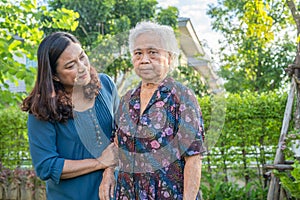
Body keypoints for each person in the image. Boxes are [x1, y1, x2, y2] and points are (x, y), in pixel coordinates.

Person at [109, 21, 206, 200]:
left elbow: (193, 158)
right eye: (138, 53)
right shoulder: (126, 100)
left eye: (152, 52)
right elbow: (116, 145)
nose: (144, 59)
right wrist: (107, 175)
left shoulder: (182, 97)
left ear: (169, 57)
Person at [21, 32, 119, 200]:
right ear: (54, 75)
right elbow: (46, 166)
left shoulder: (106, 85)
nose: (82, 67)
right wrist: (100, 162)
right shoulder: (42, 110)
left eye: (82, 56)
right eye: (70, 65)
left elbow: (120, 133)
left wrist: (109, 170)